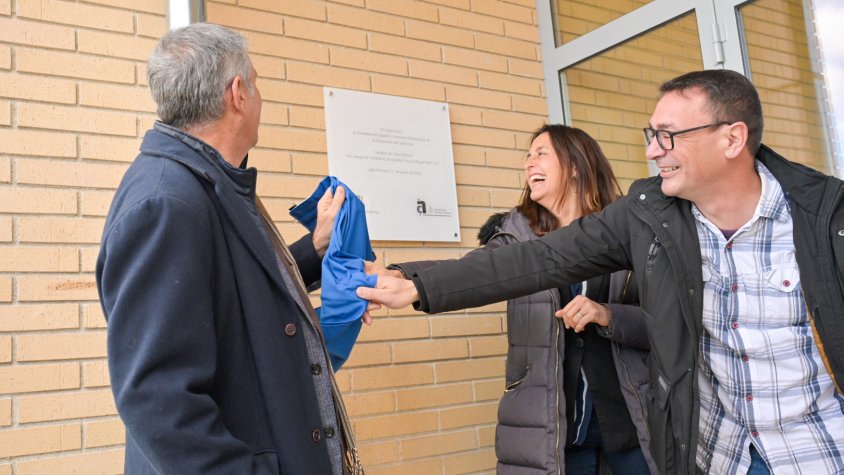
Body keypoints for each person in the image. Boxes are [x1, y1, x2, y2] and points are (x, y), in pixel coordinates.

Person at [357, 70, 844, 475]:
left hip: (819, 452)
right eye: (651, 136)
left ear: (731, 138)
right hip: (717, 456)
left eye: (668, 136)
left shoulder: (828, 218)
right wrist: (416, 284)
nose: (653, 151)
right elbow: (539, 259)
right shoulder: (647, 215)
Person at [96, 23, 362, 474]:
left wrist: (316, 249)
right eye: (256, 83)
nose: (260, 98)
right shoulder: (166, 202)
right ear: (238, 93)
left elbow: (230, 293)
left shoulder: (206, 181)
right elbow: (159, 400)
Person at [371, 125, 656, 474]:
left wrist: (608, 315)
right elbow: (475, 269)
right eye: (527, 156)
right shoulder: (515, 236)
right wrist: (403, 276)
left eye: (541, 154)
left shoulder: (626, 233)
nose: (529, 163)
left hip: (629, 422)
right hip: (553, 429)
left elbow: (663, 325)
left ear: (575, 165)